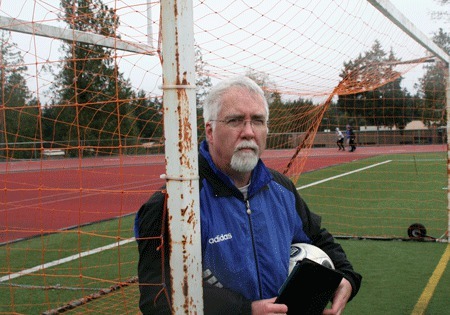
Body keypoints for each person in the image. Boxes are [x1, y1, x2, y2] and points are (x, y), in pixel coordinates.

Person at [135, 76, 362, 314]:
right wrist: (245, 310)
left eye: (257, 121)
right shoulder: (173, 204)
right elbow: (157, 295)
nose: (248, 132)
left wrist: (347, 277)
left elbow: (318, 238)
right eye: (235, 121)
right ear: (210, 131)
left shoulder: (280, 187)